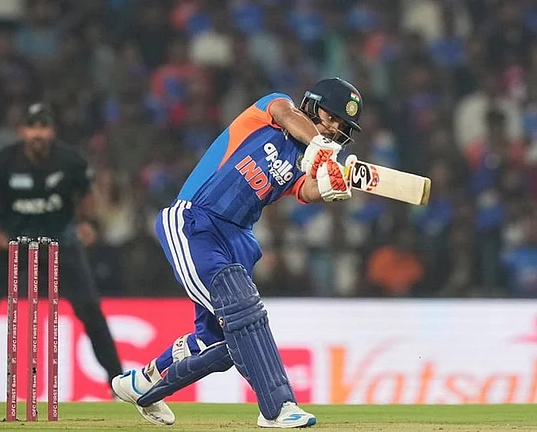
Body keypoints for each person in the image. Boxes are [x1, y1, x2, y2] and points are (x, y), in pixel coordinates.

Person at [111, 77, 363, 428]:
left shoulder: (304, 160)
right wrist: (320, 146)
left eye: (341, 126)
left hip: (236, 240)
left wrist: (334, 183)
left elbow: (305, 189)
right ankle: (277, 408)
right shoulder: (276, 109)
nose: (334, 126)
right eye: (330, 115)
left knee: (219, 345)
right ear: (311, 103)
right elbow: (287, 115)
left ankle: (144, 385)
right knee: (243, 311)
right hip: (195, 222)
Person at [0, 103, 123, 400]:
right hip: (12, 245)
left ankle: (117, 385)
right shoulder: (3, 161)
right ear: (22, 131)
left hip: (60, 243)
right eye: (33, 127)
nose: (38, 134)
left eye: (44, 127)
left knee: (90, 312)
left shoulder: (70, 160)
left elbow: (87, 191)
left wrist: (86, 222)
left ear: (52, 131)